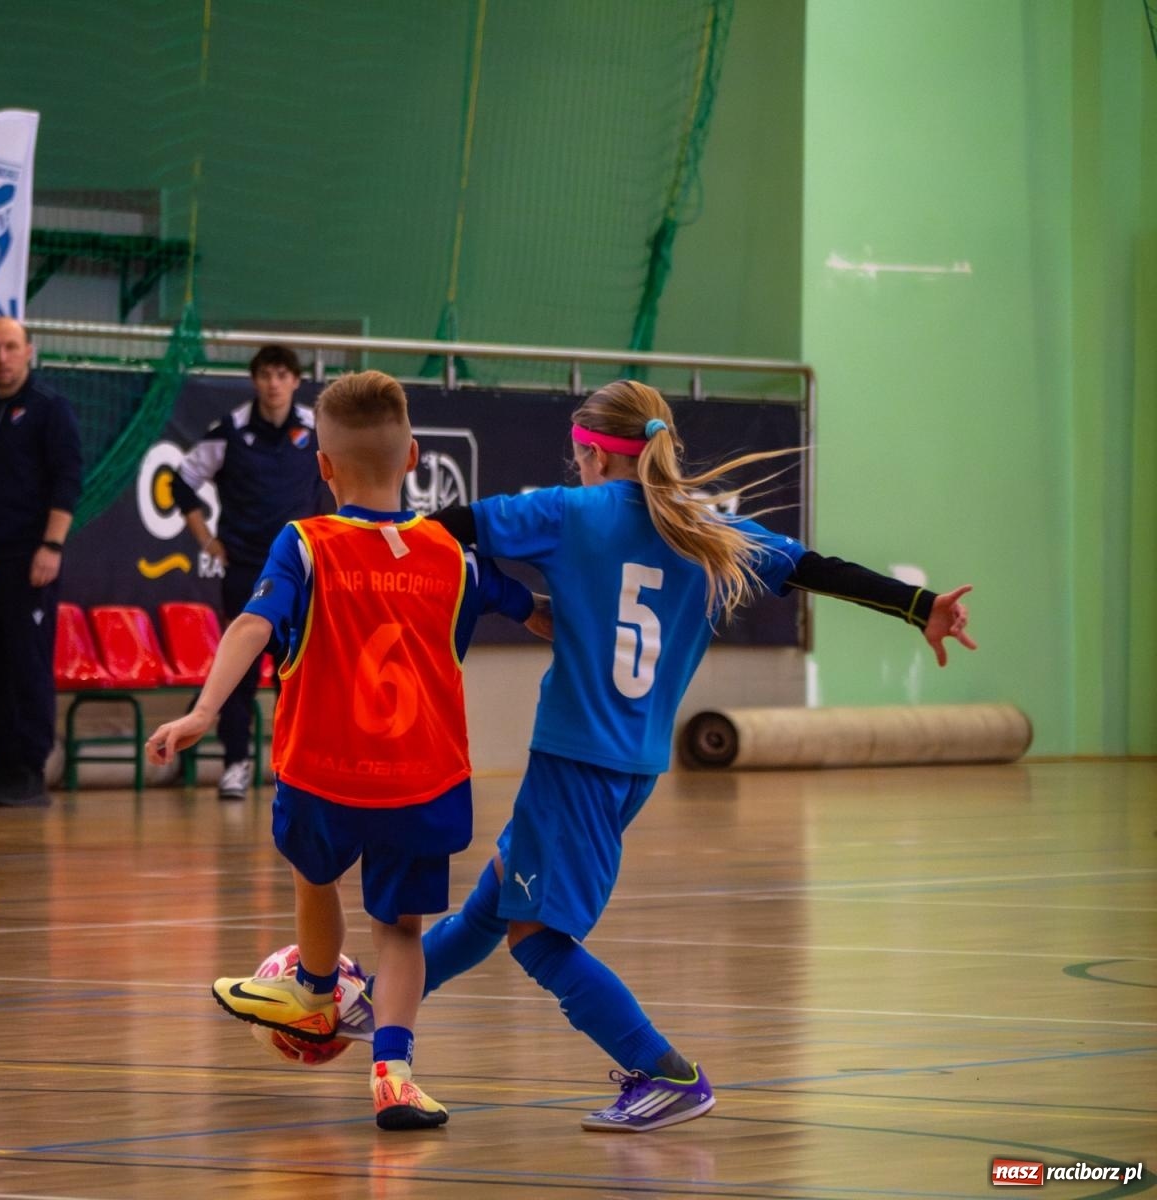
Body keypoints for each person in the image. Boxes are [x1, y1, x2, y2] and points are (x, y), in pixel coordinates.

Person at [361, 379, 976, 1134]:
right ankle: (372, 1009)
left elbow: (440, 531)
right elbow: (818, 568)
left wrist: (485, 594)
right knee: (495, 903)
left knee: (539, 938)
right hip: (634, 767)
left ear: (590, 452)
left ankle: (666, 1074)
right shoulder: (707, 528)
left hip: (574, 760)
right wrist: (920, 607)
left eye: (579, 453)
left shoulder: (567, 511)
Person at [146, 371, 545, 1131]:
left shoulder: (306, 543)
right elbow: (539, 616)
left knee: (312, 875)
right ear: (416, 458)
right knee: (400, 931)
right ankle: (393, 1076)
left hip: (325, 771)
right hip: (422, 780)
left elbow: (251, 628)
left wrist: (204, 710)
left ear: (322, 467)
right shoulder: (453, 555)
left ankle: (320, 987)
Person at [170, 344, 324, 799]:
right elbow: (182, 482)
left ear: (296, 381)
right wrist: (207, 540)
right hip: (246, 572)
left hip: (301, 570)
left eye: (283, 375)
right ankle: (235, 764)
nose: (274, 383)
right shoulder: (230, 431)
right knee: (239, 670)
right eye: (266, 375)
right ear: (254, 381)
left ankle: (290, 766)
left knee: (292, 672)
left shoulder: (317, 430)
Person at [0, 317, 84, 809]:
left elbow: (67, 479)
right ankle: (4, 762)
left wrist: (51, 547)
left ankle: (30, 767)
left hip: (30, 559)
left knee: (27, 664)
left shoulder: (52, 410)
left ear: (29, 349)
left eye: (10, 347)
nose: (2, 357)